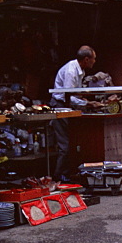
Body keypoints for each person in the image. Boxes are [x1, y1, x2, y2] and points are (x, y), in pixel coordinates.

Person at [50, 45, 101, 182]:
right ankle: (58, 176)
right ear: (86, 59)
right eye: (93, 59)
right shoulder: (71, 71)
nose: (94, 61)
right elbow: (68, 96)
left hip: (68, 106)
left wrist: (85, 100)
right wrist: (88, 104)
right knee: (64, 145)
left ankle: (67, 173)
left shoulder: (80, 70)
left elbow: (75, 93)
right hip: (60, 106)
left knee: (71, 143)